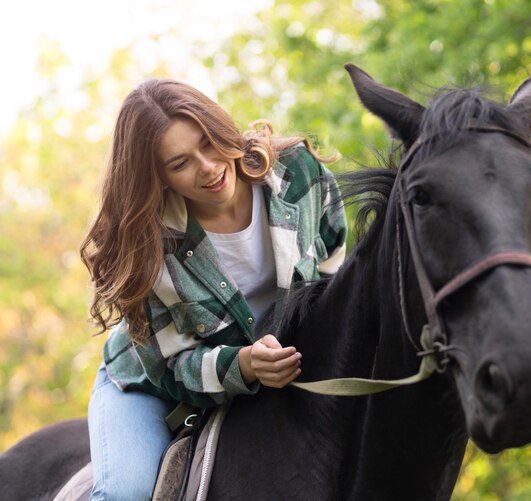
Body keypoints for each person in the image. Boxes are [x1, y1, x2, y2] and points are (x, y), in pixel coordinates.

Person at [80, 78, 348, 500]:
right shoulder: (148, 249)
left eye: (208, 143)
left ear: (220, 126)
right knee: (124, 494)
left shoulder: (296, 173)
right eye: (180, 163)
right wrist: (243, 365)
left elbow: (336, 270)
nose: (208, 167)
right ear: (159, 178)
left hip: (284, 369)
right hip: (154, 383)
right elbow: (172, 366)